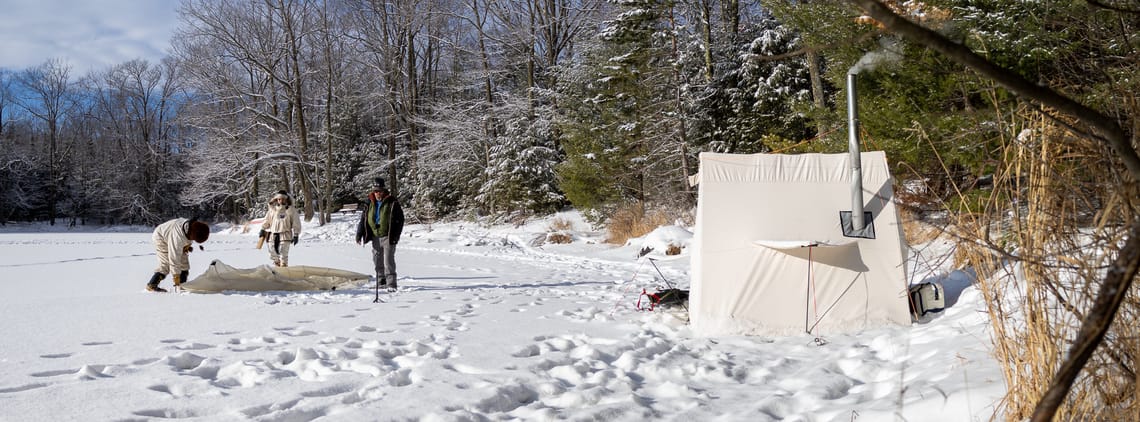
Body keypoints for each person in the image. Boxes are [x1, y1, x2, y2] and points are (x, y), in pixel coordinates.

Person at [355, 178, 405, 291]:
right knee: (377, 260)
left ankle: (391, 284)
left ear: (384, 190)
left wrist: (396, 236)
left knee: (388, 261)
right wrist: (359, 234)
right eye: (376, 191)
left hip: (388, 235)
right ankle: (381, 281)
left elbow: (400, 220)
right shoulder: (369, 203)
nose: (378, 193)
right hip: (375, 235)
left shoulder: (392, 202)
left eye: (380, 191)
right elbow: (364, 219)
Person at [147, 218, 210, 292]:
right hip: (160, 237)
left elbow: (189, 237)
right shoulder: (178, 238)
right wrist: (176, 276)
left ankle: (182, 285)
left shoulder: (192, 227)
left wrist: (187, 245)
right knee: (166, 265)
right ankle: (152, 285)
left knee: (184, 264)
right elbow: (174, 258)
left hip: (174, 235)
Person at [260, 190, 303, 267]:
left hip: (285, 235)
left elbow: (296, 222)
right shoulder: (273, 210)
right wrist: (262, 229)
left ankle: (284, 270)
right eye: (279, 199)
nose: (281, 200)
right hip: (273, 235)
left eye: (283, 199)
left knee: (283, 254)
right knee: (272, 254)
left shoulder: (290, 210)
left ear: (286, 199)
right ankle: (277, 268)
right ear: (277, 200)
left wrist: (296, 234)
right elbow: (267, 220)